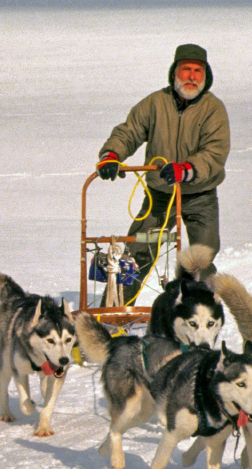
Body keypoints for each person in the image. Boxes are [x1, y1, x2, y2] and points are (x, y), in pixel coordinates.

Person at [96, 43, 230, 302]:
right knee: (137, 254)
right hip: (160, 196)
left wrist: (187, 169)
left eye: (197, 71)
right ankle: (111, 316)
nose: (191, 76)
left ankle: (200, 316)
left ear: (206, 75)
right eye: (186, 69)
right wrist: (111, 155)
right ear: (174, 73)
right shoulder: (155, 103)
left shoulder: (214, 109)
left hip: (199, 196)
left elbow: (215, 152)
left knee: (201, 260)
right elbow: (129, 131)